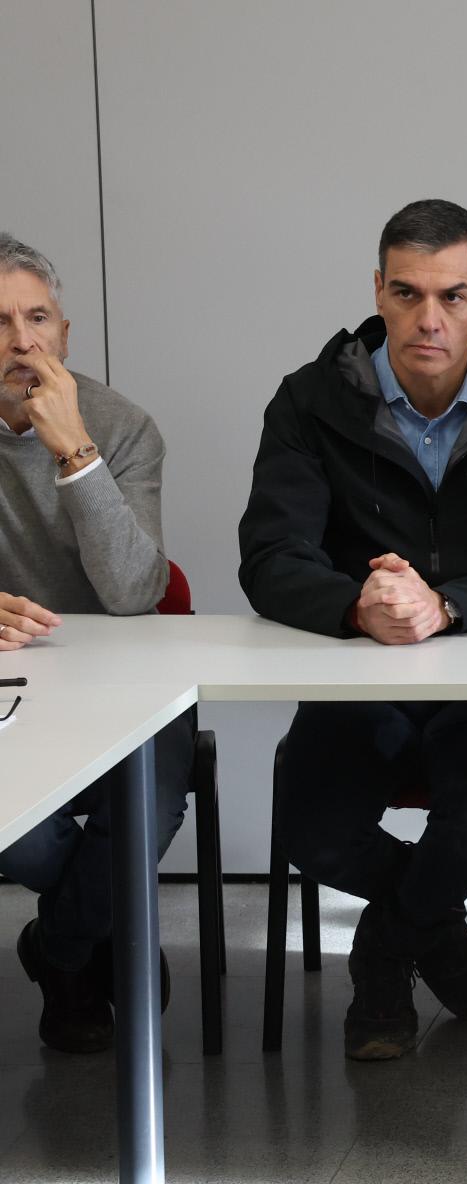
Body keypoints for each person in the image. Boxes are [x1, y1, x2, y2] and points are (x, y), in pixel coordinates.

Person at [237, 199, 467, 1060]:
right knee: (312, 829)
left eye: (452, 296)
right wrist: (355, 607)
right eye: (406, 293)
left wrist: (448, 605)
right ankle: (433, 930)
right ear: (378, 291)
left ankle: (384, 951)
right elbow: (271, 555)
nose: (428, 319)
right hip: (360, 675)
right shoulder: (309, 400)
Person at [0, 232, 186, 1054]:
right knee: (20, 829)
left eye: (38, 318)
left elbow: (136, 591)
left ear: (65, 333)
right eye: (0, 322)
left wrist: (76, 454)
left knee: (149, 802)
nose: (22, 341)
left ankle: (60, 949)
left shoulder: (122, 427)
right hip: (10, 686)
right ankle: (105, 931)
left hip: (129, 679)